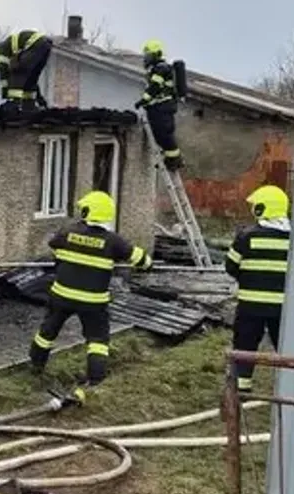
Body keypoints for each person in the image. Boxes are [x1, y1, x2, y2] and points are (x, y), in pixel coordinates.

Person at [29, 191, 153, 402]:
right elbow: (141, 259)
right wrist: (147, 264)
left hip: (61, 295)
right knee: (97, 340)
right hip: (93, 301)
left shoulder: (67, 232)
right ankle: (96, 380)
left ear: (89, 211)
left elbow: (54, 246)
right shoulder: (113, 241)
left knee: (47, 332)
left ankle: (35, 367)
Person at [224, 185, 290, 394]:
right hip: (282, 308)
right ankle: (289, 388)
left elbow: (230, 266)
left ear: (262, 209)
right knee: (285, 347)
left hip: (250, 306)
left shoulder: (247, 237)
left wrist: (248, 278)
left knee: (244, 346)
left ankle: (242, 389)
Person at [135, 40, 183, 170]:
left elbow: (154, 88)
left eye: (149, 56)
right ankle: (170, 158)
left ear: (157, 54)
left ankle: (175, 160)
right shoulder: (157, 69)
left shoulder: (161, 68)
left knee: (164, 134)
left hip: (163, 107)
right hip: (160, 107)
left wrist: (143, 101)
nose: (146, 59)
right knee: (160, 135)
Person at [0, 29, 53, 107]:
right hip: (45, 46)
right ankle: (30, 105)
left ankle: (13, 104)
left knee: (16, 73)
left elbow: (3, 69)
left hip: (35, 44)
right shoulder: (9, 48)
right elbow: (31, 77)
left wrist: (5, 90)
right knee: (31, 78)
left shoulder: (1, 50)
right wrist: (40, 99)